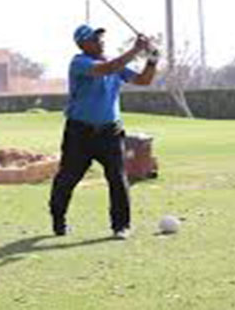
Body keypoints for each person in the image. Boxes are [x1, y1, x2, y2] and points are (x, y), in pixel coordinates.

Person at [49, 24, 158, 240]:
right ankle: (58, 221)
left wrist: (152, 60)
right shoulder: (79, 63)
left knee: (118, 178)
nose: (100, 42)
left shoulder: (114, 63)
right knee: (68, 177)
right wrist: (136, 49)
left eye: (100, 38)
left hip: (110, 132)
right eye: (94, 39)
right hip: (79, 132)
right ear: (82, 44)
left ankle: (121, 226)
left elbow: (143, 80)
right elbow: (107, 69)